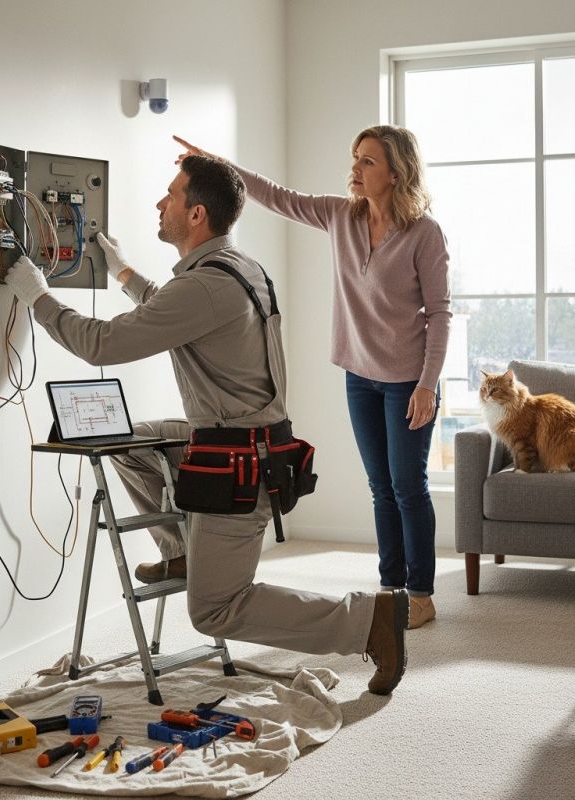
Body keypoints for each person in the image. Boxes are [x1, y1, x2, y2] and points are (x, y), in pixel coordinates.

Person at [4, 154, 410, 694]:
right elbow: (171, 309)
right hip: (240, 437)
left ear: (196, 215)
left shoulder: (204, 287)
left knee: (215, 609)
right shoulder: (236, 269)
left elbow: (102, 343)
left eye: (170, 195)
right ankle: (179, 553)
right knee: (127, 441)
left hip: (238, 466)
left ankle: (368, 621)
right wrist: (123, 272)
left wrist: (39, 299)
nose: (159, 203)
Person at [174, 126, 451, 630]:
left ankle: (422, 593)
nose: (356, 168)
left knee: (409, 485)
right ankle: (392, 590)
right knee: (380, 486)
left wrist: (428, 384)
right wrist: (216, 163)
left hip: (410, 380)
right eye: (356, 158)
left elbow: (440, 313)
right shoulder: (340, 215)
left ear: (396, 172)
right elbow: (279, 197)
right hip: (359, 375)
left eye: (368, 161)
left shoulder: (424, 233)